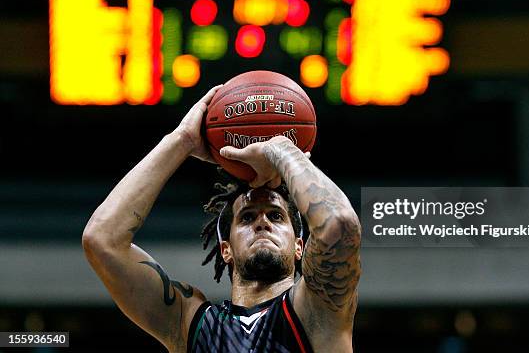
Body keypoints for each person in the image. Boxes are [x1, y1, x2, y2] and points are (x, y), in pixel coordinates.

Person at [82, 84, 362, 352]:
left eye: (276, 216)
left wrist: (281, 150)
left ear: (300, 246)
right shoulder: (191, 323)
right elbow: (102, 240)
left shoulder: (317, 310)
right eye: (247, 217)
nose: (262, 222)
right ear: (225, 249)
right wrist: (181, 141)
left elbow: (340, 226)